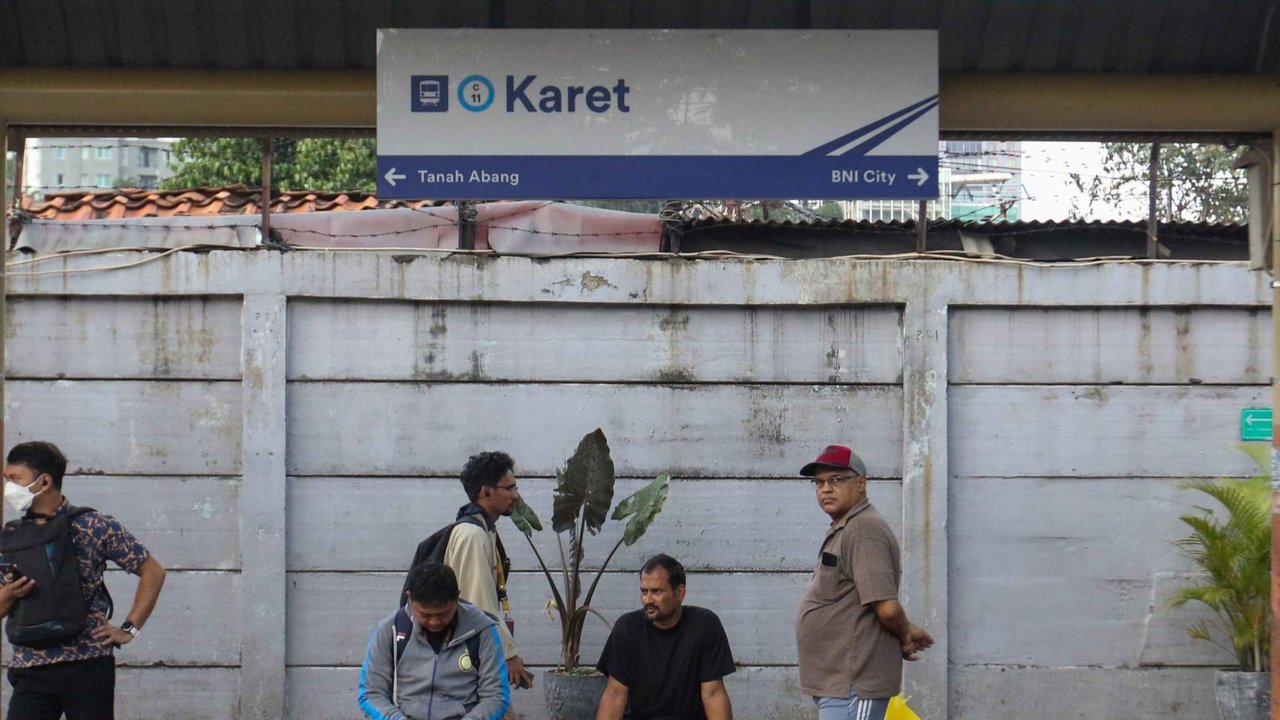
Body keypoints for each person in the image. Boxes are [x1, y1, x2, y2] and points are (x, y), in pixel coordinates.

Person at [0, 440, 167, 720]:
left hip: (88, 664)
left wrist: (129, 629)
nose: (9, 488)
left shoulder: (93, 525)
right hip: (30, 666)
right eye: (7, 480)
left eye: (16, 479)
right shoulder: (11, 536)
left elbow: (152, 571)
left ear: (44, 481)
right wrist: (9, 595)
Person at [795, 445, 934, 720]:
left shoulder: (863, 529)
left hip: (855, 682)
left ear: (861, 483)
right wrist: (907, 629)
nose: (825, 489)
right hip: (840, 683)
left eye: (836, 480)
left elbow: (887, 607)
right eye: (819, 482)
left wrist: (904, 632)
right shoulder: (847, 528)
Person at [359, 561, 510, 720]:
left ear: (457, 597)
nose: (434, 622)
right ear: (410, 598)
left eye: (443, 614)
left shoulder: (482, 630)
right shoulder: (390, 630)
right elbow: (371, 693)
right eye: (425, 615)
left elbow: (496, 696)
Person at [596, 554, 735, 720]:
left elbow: (713, 693)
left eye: (656, 591)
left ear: (680, 593)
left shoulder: (705, 626)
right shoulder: (627, 629)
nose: (648, 599)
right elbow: (615, 695)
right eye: (644, 591)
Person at [443, 451, 534, 691]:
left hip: (474, 653)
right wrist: (509, 654)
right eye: (510, 488)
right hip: (467, 658)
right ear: (486, 492)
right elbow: (478, 603)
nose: (516, 496)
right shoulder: (472, 535)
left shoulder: (484, 529)